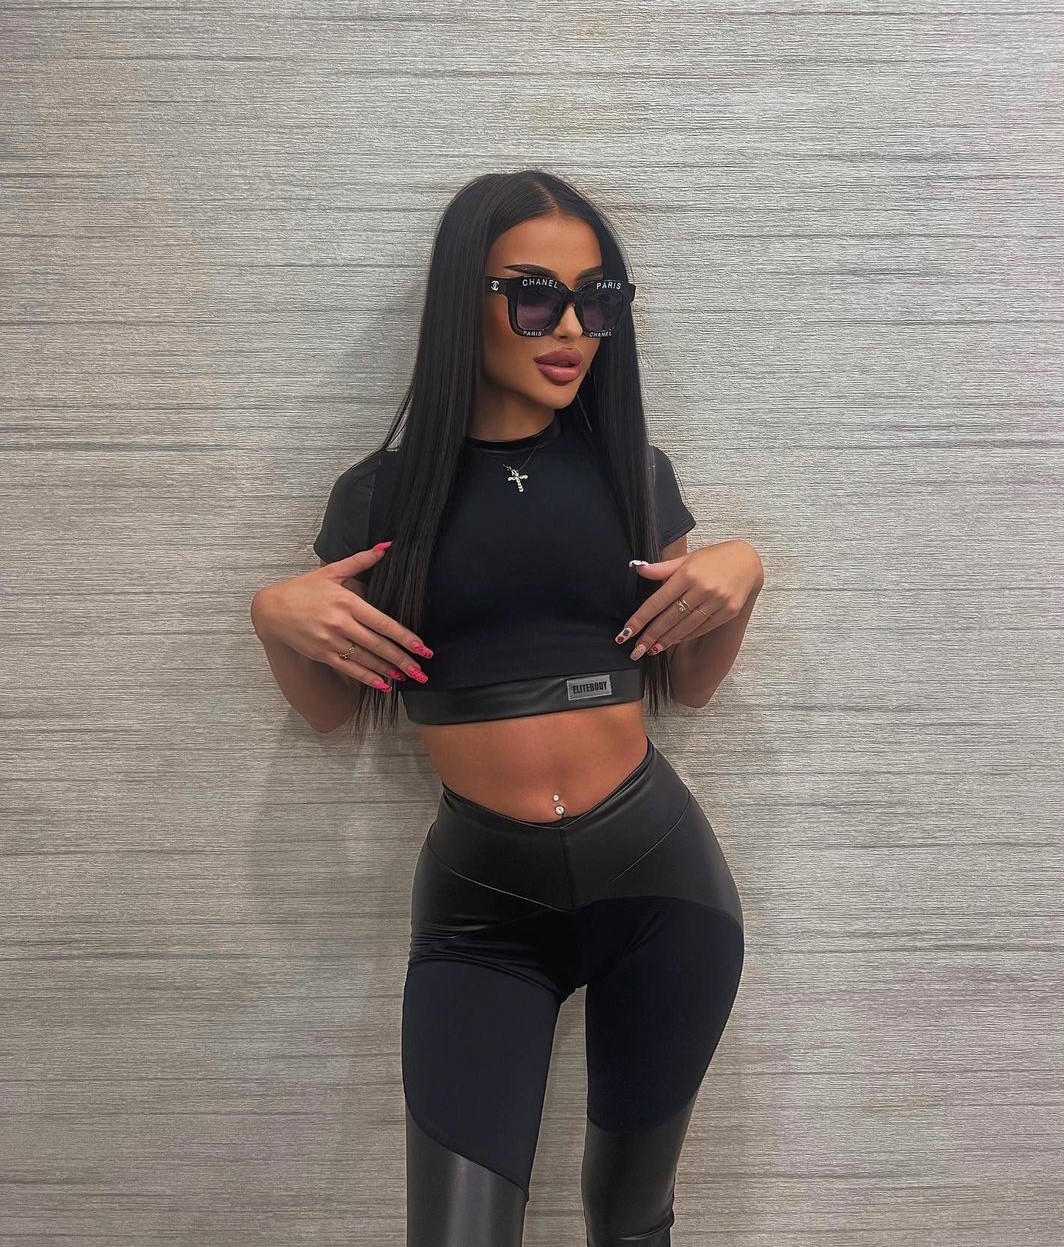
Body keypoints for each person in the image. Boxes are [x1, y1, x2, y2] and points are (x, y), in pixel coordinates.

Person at [250, 170, 765, 1246]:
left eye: (597, 300)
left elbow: (689, 682)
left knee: (629, 1219)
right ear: (465, 300)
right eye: (535, 296)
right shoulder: (380, 497)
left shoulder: (633, 474)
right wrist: (274, 615)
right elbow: (328, 715)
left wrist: (742, 573)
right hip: (482, 915)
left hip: (663, 889)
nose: (570, 328)